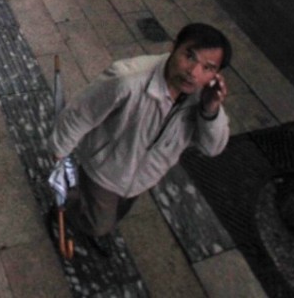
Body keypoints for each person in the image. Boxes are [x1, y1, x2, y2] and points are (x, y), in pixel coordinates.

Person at [48, 22, 232, 252]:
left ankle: (88, 219)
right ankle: (65, 211)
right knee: (99, 224)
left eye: (208, 67)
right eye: (189, 56)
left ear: (216, 75)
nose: (193, 72)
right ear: (174, 47)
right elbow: (81, 113)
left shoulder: (203, 98)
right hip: (104, 170)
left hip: (144, 176)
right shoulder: (127, 79)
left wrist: (210, 110)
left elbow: (212, 148)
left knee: (115, 213)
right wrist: (59, 151)